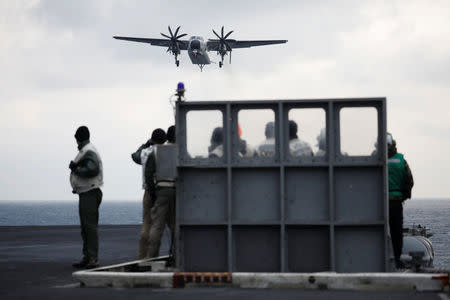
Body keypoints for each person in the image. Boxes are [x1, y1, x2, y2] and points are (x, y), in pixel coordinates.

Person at [70, 126, 103, 269]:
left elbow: (92, 169)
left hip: (89, 192)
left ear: (78, 138)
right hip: (86, 192)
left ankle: (92, 258)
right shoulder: (88, 149)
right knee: (86, 227)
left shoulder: (88, 150)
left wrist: (76, 169)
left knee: (89, 227)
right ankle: (88, 256)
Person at [145, 129, 178, 258]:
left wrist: (153, 194)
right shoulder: (182, 151)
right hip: (178, 191)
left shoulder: (156, 151)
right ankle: (177, 254)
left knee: (157, 226)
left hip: (162, 190)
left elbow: (148, 175)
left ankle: (152, 256)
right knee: (176, 225)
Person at [132, 129, 162, 259]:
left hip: (149, 192)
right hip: (165, 190)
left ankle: (142, 257)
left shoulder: (145, 153)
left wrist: (146, 144)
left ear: (152, 139)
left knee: (147, 224)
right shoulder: (167, 152)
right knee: (170, 224)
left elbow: (135, 155)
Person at [387, 132, 414, 269]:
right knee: (396, 232)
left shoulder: (375, 158)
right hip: (396, 202)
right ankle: (397, 259)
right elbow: (409, 180)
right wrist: (403, 196)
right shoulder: (401, 160)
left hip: (377, 203)